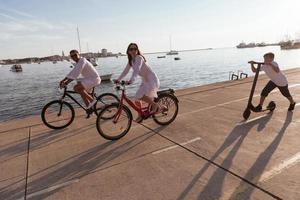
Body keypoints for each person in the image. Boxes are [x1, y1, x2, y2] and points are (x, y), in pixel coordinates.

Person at [115, 43, 160, 122]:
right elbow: (125, 71)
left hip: (152, 80)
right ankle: (140, 114)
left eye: (135, 49)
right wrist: (118, 79)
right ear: (128, 51)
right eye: (131, 49)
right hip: (145, 80)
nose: (133, 51)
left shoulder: (139, 58)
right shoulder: (131, 61)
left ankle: (154, 105)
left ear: (137, 50)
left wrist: (131, 80)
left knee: (139, 96)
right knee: (136, 99)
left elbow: (136, 70)